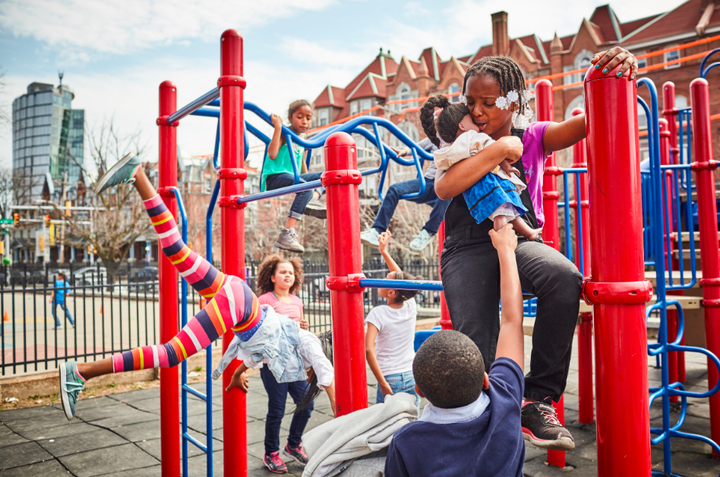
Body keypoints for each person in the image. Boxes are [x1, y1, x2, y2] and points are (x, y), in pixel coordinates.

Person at [433, 49, 638, 451]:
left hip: (520, 238)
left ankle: (537, 399)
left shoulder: (534, 136)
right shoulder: (459, 140)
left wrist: (615, 73)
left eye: (488, 103)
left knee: (563, 278)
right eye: (470, 101)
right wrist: (496, 148)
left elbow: (591, 121)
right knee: (476, 343)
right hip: (467, 247)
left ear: (514, 103)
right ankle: (482, 428)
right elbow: (445, 187)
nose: (476, 111)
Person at [57, 153, 336, 424]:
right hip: (239, 307)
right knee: (171, 354)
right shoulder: (309, 345)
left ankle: (137, 174)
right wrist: (344, 418)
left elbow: (255, 354)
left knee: (176, 249)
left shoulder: (287, 349)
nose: (306, 374)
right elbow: (327, 378)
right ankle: (81, 372)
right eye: (308, 372)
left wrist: (237, 373)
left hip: (237, 293)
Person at [385, 223, 527, 477]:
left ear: (420, 391)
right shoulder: (504, 402)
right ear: (485, 379)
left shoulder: (406, 441)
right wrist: (506, 250)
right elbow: (511, 321)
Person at [422, 95, 541, 240]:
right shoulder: (472, 136)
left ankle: (527, 233)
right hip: (490, 183)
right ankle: (506, 241)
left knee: (501, 212)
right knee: (504, 211)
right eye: (472, 120)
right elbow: (494, 149)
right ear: (462, 126)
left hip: (473, 192)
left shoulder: (448, 148)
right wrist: (507, 166)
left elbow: (442, 165)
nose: (477, 123)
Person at [255, 254, 313, 473]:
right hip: (274, 365)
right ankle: (271, 453)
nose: (287, 275)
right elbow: (260, 331)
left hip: (295, 364)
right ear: (272, 276)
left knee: (307, 404)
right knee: (277, 411)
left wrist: (302, 326)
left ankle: (293, 444)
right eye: (282, 272)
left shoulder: (297, 301)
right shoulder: (265, 301)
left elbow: (297, 331)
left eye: (290, 272)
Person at [360, 138, 449, 252]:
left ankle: (427, 232)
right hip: (428, 182)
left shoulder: (464, 139)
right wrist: (405, 151)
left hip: (447, 182)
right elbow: (416, 146)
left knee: (449, 194)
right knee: (394, 189)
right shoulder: (437, 136)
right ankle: (377, 230)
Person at [364, 231, 420, 408]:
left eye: (386, 278)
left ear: (391, 293)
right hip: (411, 373)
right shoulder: (410, 306)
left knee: (386, 426)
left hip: (389, 377)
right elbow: (400, 276)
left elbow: (368, 350)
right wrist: (384, 251)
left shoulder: (378, 313)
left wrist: (382, 383)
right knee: (412, 421)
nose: (383, 278)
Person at [262, 100, 326, 254]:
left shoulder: (301, 139)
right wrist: (278, 127)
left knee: (326, 176)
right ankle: (287, 233)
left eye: (308, 118)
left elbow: (302, 164)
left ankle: (312, 200)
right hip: (275, 177)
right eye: (300, 117)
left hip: (293, 176)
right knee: (305, 189)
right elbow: (272, 154)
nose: (304, 121)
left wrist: (311, 182)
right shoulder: (285, 133)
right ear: (290, 118)